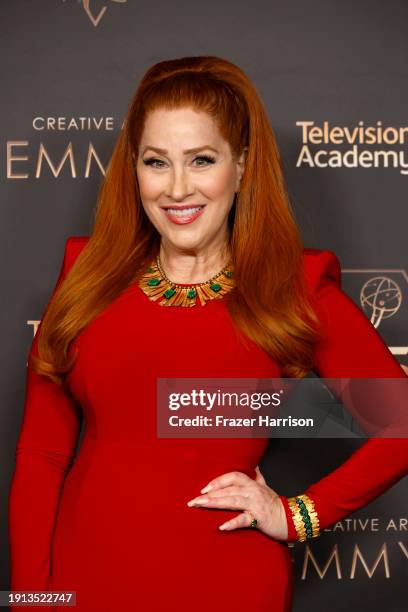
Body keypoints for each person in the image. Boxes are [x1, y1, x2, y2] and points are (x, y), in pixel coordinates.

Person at [8, 56, 408, 612]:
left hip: (229, 585)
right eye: (156, 162)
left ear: (241, 167)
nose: (176, 189)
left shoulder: (292, 285)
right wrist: (31, 598)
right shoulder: (86, 272)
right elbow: (41, 454)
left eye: (201, 160)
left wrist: (297, 516)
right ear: (135, 170)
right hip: (86, 582)